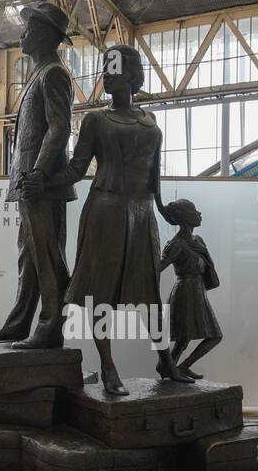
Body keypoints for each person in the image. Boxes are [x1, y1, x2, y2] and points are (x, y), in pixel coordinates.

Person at [35, 43, 191, 393]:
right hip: (106, 210)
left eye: (115, 67)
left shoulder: (150, 120)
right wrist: (42, 180)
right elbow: (77, 168)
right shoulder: (95, 120)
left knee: (148, 291)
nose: (107, 73)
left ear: (133, 76)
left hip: (143, 211)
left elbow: (155, 173)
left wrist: (164, 208)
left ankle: (165, 361)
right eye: (106, 67)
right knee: (99, 291)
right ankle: (107, 366)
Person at [0, 1, 75, 349]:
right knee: (30, 256)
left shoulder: (54, 73)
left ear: (46, 35)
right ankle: (21, 322)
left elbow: (59, 129)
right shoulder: (40, 73)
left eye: (30, 27)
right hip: (30, 185)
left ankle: (50, 326)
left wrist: (37, 172)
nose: (23, 33)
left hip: (41, 185)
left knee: (47, 257)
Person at [159, 198, 221, 379]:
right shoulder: (175, 244)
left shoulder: (197, 240)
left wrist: (203, 251)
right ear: (186, 217)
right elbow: (157, 268)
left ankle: (172, 366)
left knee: (187, 339)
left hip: (198, 290)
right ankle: (175, 366)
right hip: (185, 292)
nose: (199, 214)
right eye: (195, 211)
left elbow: (209, 268)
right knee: (193, 337)